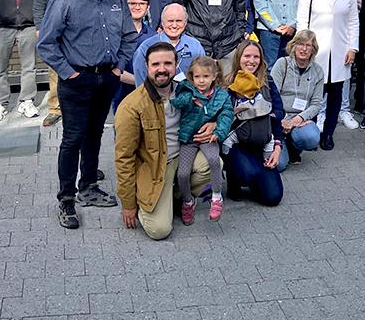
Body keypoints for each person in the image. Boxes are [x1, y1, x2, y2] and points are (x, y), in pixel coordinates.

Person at [37, 0, 138, 229]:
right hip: (76, 80)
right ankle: (66, 199)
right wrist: (68, 72)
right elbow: (46, 43)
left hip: (106, 78)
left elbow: (129, 35)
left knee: (94, 134)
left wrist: (118, 68)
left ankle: (89, 186)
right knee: (72, 138)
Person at [114, 42, 225, 239]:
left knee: (214, 162)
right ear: (146, 66)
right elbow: (124, 158)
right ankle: (155, 199)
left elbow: (217, 107)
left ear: (176, 65)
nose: (162, 69)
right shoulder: (132, 105)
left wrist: (215, 124)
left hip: (183, 154)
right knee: (159, 230)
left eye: (168, 63)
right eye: (156, 64)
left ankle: (178, 196)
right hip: (156, 166)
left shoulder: (188, 90)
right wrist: (128, 204)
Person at [296, 0, 359, 150]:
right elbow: (302, 19)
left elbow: (353, 23)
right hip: (316, 50)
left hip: (340, 50)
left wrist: (353, 48)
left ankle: (328, 134)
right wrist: (302, 46)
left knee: (335, 95)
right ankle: (310, 132)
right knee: (313, 94)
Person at [33, 0, 87, 126]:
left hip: (85, 22)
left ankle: (82, 105)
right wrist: (40, 24)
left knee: (84, 64)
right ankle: (55, 108)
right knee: (56, 66)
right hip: (57, 23)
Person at [170, 56, 233, 224]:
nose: (201, 81)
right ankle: (188, 201)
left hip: (208, 137)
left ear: (214, 76)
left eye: (205, 76)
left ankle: (216, 198)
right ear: (192, 76)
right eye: (197, 77)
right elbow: (176, 102)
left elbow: (227, 115)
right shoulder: (187, 89)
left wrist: (218, 132)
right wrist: (189, 98)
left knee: (214, 160)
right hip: (189, 138)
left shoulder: (221, 95)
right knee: (182, 174)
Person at [223, 40, 286, 206]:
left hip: (263, 139)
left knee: (273, 198)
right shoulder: (228, 84)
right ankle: (235, 175)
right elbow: (221, 119)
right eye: (247, 56)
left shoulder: (268, 81)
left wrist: (277, 146)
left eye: (256, 56)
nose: (251, 61)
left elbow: (279, 113)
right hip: (238, 143)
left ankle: (258, 179)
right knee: (248, 173)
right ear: (239, 58)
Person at [270, 30, 323, 165]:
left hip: (300, 120)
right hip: (279, 118)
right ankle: (282, 144)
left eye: (308, 45)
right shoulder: (282, 64)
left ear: (313, 49)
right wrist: (281, 120)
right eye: (300, 44)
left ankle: (294, 146)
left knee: (311, 136)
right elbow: (271, 96)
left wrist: (297, 119)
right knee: (280, 165)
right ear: (293, 45)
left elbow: (316, 104)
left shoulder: (318, 71)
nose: (304, 49)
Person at [132, 3, 205, 86]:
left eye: (178, 21)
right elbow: (141, 83)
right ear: (162, 23)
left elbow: (203, 77)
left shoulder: (195, 46)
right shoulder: (146, 47)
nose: (174, 25)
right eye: (170, 21)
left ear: (185, 23)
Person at [113, 0, 154, 111]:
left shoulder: (153, 36)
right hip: (120, 93)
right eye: (132, 3)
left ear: (148, 7)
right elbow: (112, 67)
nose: (137, 7)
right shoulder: (114, 33)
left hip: (146, 95)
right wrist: (140, 82)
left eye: (142, 3)